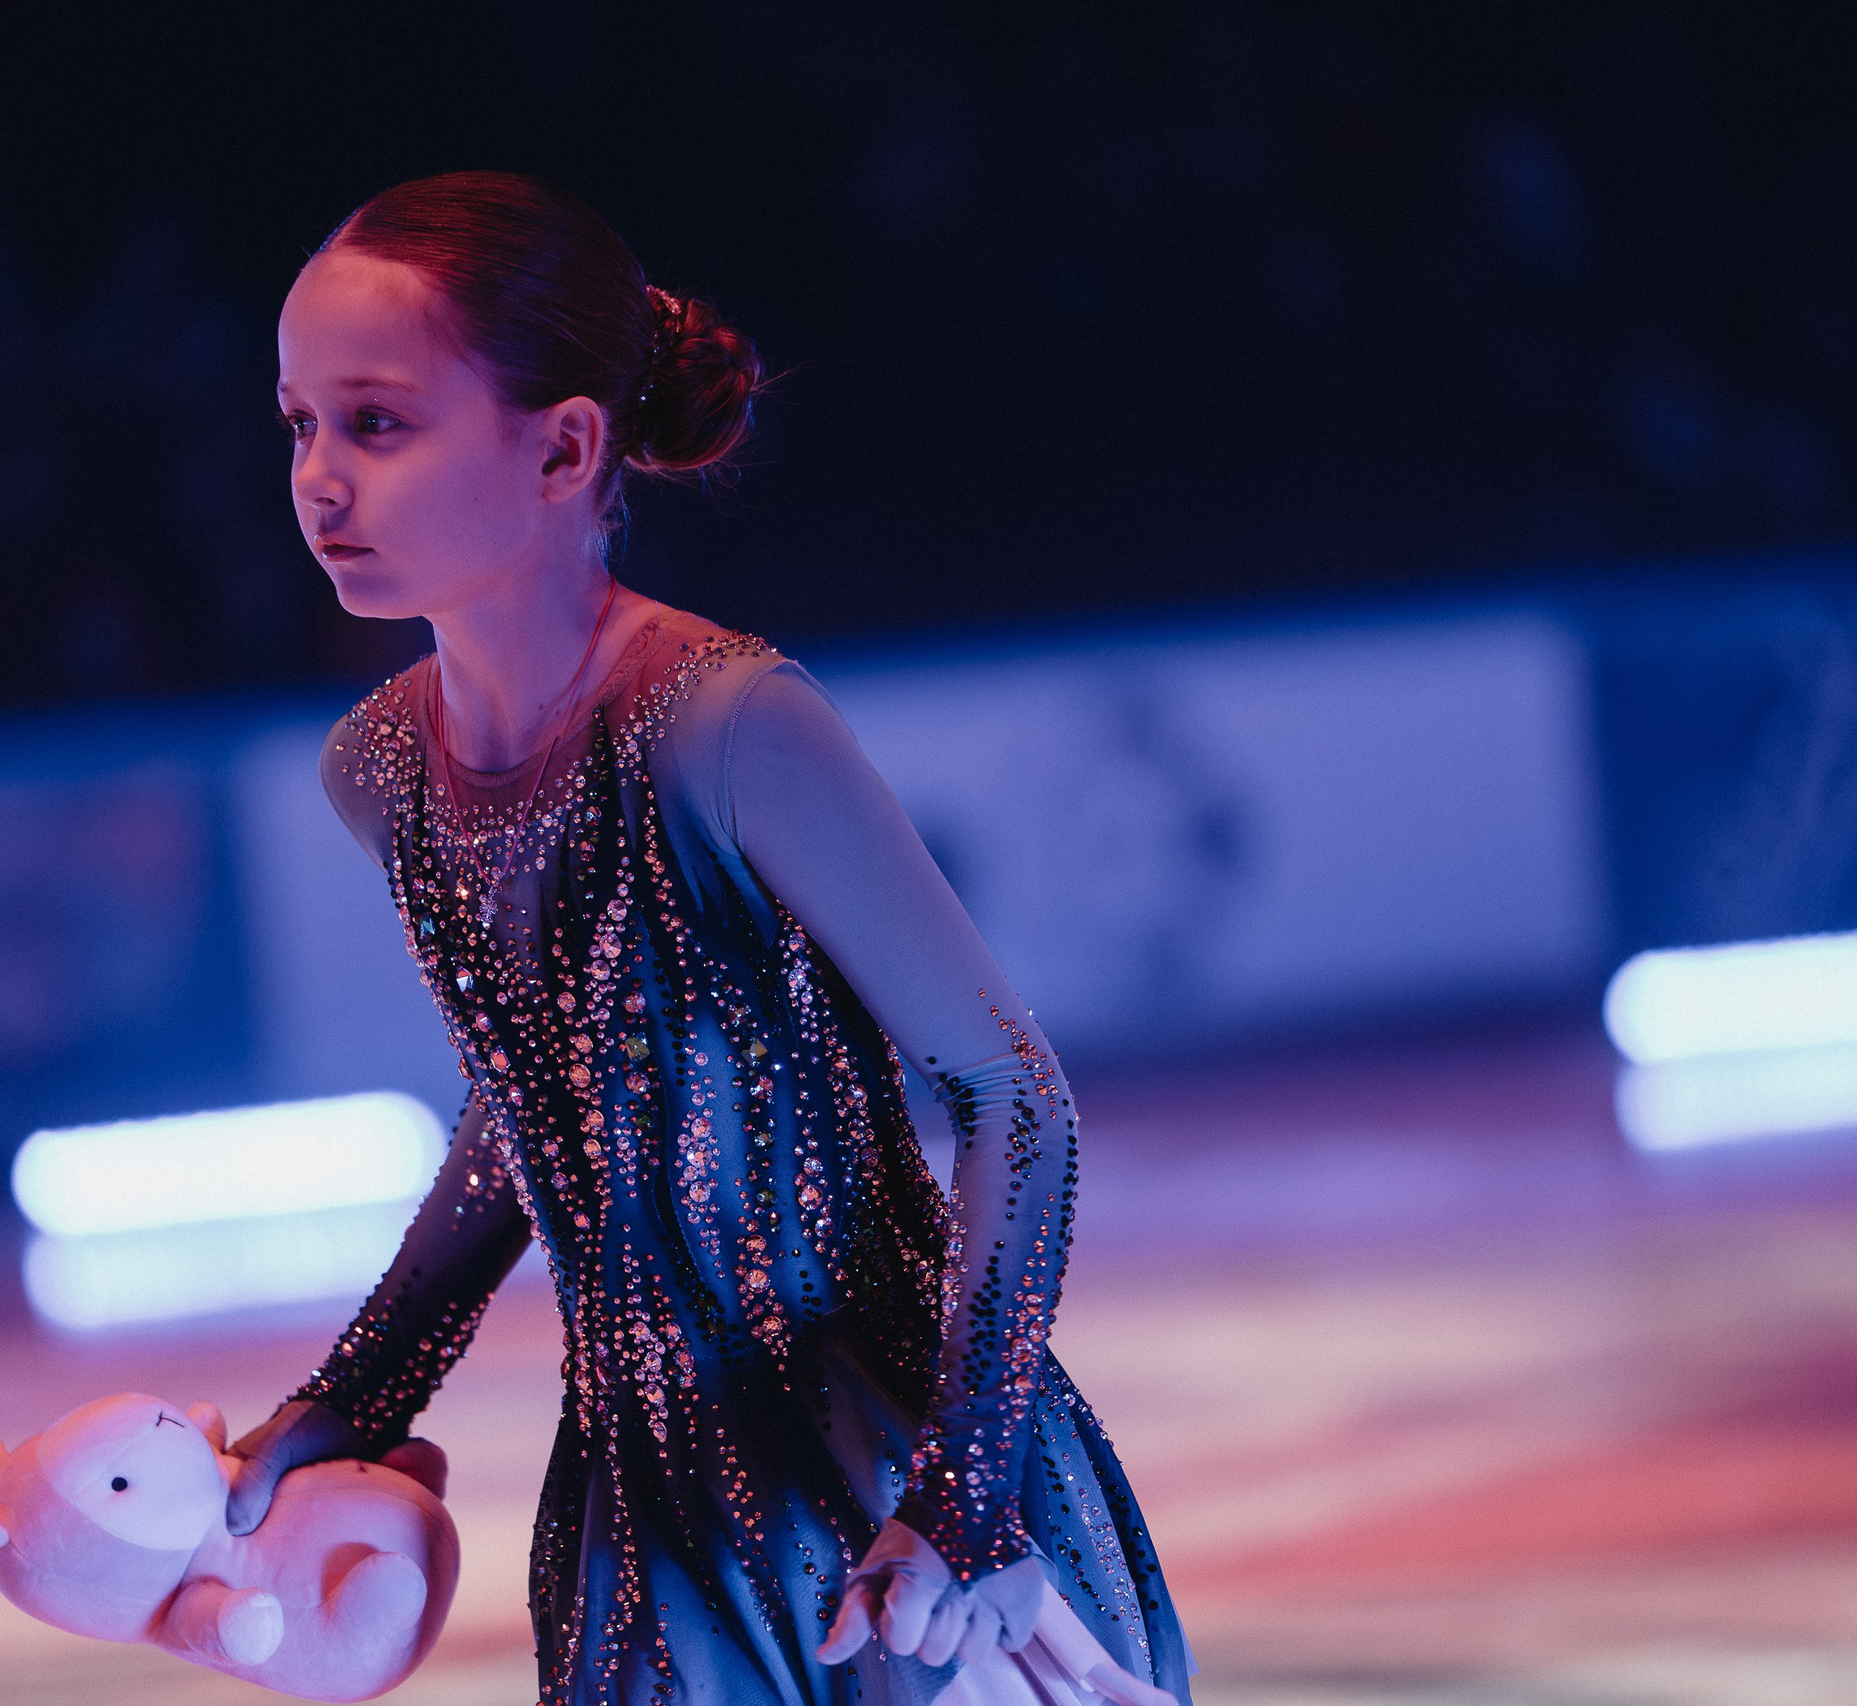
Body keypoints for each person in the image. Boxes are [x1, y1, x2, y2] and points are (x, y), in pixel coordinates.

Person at [225, 171, 1191, 1706]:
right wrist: (358, 1391)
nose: (321, 482)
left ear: (563, 445)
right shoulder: (382, 772)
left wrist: (967, 1491)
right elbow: (535, 1099)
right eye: (299, 426)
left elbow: (1015, 1095)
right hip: (643, 1527)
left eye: (379, 422)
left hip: (896, 1487)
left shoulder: (728, 724)